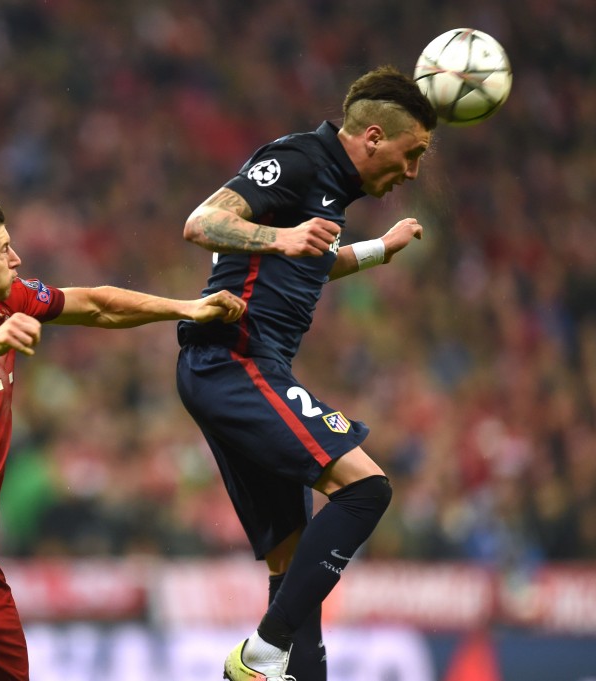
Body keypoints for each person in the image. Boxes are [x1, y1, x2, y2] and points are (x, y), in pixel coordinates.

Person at [0, 196, 245, 681]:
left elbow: (96, 305)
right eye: (3, 250)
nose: (16, 259)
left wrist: (186, 307)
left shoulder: (3, 300)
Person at [174, 65, 438, 680]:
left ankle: (281, 665)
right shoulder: (298, 158)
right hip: (232, 360)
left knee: (296, 574)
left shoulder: (334, 187)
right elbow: (202, 223)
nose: (413, 172)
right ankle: (260, 655)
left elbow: (306, 259)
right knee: (366, 489)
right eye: (412, 153)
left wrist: (377, 250)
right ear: (373, 137)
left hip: (240, 367)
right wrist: (281, 236)